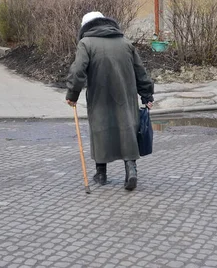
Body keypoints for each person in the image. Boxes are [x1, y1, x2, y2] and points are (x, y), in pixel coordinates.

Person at [66, 12, 154, 191]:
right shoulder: (125, 42)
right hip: (125, 95)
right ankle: (131, 170)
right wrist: (146, 95)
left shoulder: (86, 43)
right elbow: (140, 71)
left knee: (100, 130)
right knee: (127, 128)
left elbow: (78, 72)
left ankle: (101, 174)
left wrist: (72, 94)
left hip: (100, 96)